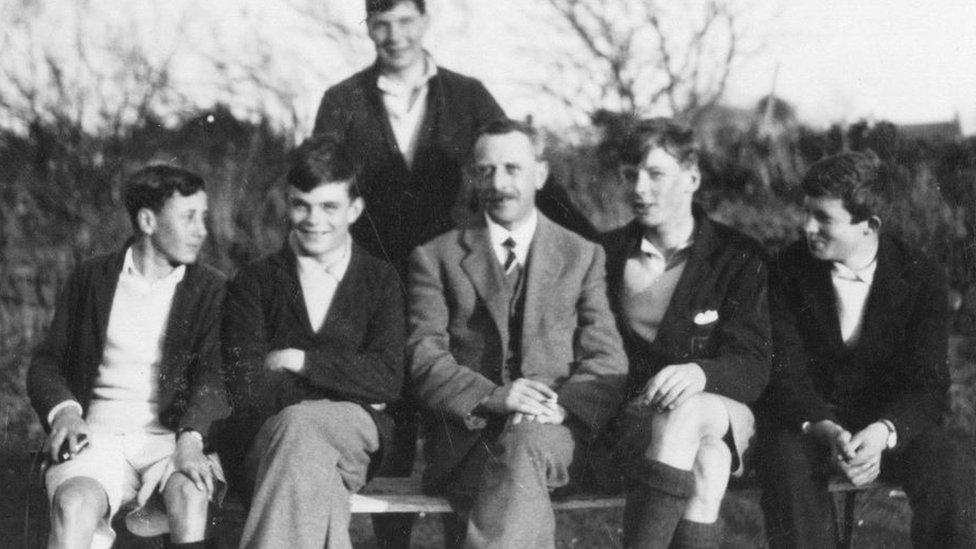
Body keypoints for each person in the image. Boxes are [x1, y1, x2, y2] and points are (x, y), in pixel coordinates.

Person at [407, 119, 627, 548]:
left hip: (554, 439)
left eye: (513, 168)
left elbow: (606, 359)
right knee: (508, 481)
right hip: (468, 444)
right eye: (486, 170)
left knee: (526, 444)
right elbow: (422, 356)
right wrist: (493, 396)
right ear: (472, 176)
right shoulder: (436, 257)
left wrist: (560, 409)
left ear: (540, 174)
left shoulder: (581, 255)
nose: (499, 182)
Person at [758, 151, 974, 548]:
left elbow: (929, 381)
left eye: (823, 218)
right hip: (810, 425)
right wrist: (822, 426)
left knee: (948, 465)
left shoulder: (921, 274)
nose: (807, 227)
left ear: (868, 226)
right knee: (783, 461)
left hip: (885, 425)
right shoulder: (785, 270)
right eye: (806, 213)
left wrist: (884, 432)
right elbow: (782, 369)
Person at [28, 164, 229, 549]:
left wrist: (192, 439)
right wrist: (66, 413)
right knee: (72, 505)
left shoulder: (211, 289)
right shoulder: (91, 278)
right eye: (188, 217)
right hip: (97, 436)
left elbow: (215, 376)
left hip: (173, 440)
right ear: (148, 220)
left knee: (191, 492)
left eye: (202, 217)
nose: (202, 230)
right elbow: (47, 362)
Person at [220, 136, 405, 549]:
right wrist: (350, 387)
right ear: (287, 204)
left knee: (302, 427)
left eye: (329, 206)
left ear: (354, 210)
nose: (313, 219)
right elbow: (247, 387)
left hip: (357, 441)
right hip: (268, 441)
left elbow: (388, 379)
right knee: (306, 446)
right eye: (301, 204)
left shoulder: (381, 281)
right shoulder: (255, 282)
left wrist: (299, 360)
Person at [601, 118, 770, 548]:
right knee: (709, 463)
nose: (639, 188)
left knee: (687, 411)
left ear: (691, 178)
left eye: (655, 174)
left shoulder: (738, 256)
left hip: (725, 410)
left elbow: (753, 364)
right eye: (630, 175)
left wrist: (700, 374)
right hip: (637, 421)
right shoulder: (604, 254)